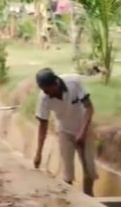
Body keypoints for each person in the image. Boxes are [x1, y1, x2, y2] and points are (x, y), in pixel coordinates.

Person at [32, 68, 98, 196]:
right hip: (64, 131)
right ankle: (69, 201)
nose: (46, 93)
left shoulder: (73, 82)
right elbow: (43, 126)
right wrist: (38, 153)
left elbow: (89, 108)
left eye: (47, 89)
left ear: (55, 83)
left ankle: (90, 198)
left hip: (84, 127)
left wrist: (83, 132)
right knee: (68, 173)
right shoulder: (44, 98)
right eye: (43, 90)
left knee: (89, 170)